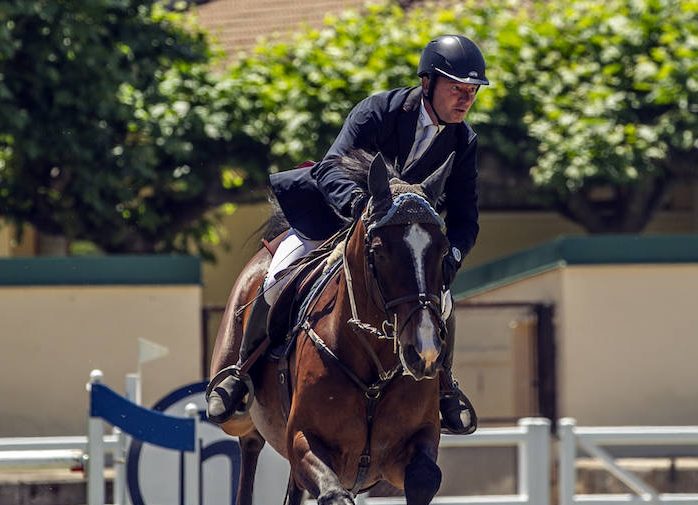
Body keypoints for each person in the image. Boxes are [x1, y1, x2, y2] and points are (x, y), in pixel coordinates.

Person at [206, 34, 488, 434]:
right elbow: (330, 168)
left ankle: (444, 387)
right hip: (336, 217)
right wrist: (360, 207)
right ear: (427, 83)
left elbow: (465, 216)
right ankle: (241, 373)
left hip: (400, 245)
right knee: (278, 272)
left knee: (439, 300)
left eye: (471, 92)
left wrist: (452, 257)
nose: (465, 99)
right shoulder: (378, 111)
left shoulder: (463, 141)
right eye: (456, 89)